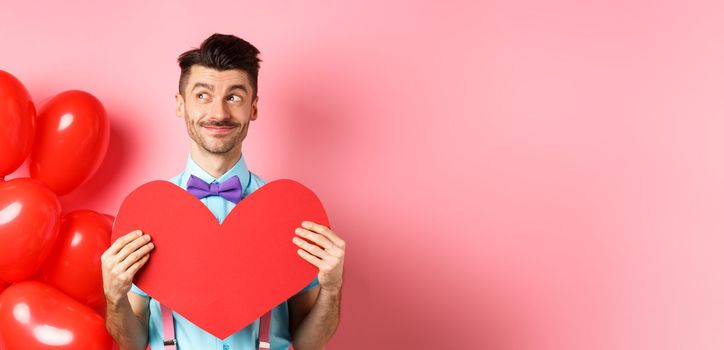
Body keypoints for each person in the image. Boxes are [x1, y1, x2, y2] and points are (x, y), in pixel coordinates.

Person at [101, 33, 345, 350]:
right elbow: (131, 343)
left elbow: (310, 343)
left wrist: (332, 287)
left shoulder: (291, 213)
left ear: (253, 108)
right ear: (180, 105)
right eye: (203, 95)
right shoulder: (147, 212)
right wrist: (114, 297)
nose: (218, 113)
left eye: (234, 97)